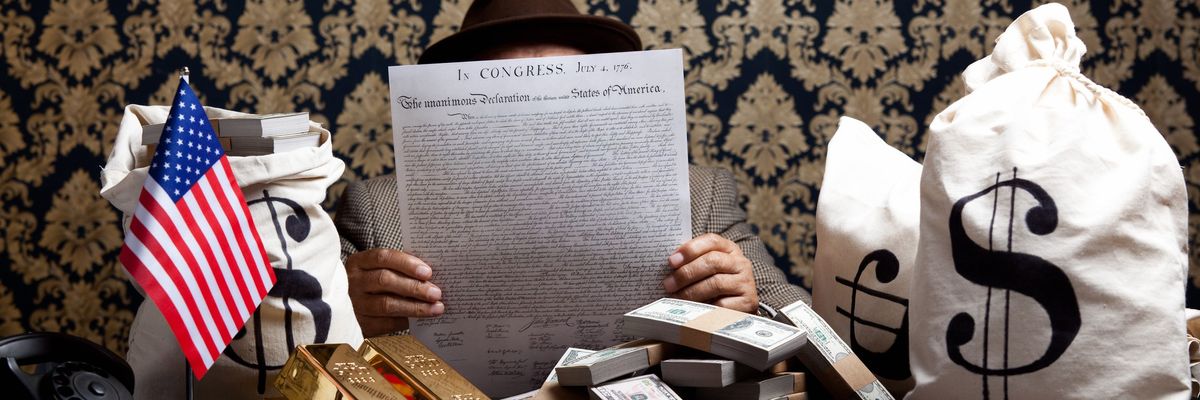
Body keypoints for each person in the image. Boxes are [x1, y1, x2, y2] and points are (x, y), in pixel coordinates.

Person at [335, 0, 810, 337]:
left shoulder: (698, 193)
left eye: (562, 92)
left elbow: (808, 326)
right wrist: (344, 308)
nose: (536, 118)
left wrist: (749, 307)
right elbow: (288, 339)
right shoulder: (377, 208)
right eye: (505, 96)